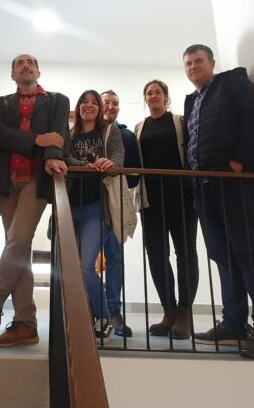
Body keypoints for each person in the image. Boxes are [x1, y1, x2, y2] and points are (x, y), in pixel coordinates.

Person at [183, 44, 254, 355]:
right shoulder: (192, 100)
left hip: (231, 182)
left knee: (246, 252)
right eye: (188, 63)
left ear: (212, 63)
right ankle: (234, 323)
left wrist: (239, 160)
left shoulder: (230, 83)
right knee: (221, 255)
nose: (193, 67)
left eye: (198, 61)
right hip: (203, 187)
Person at [0, 54, 69, 348]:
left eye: (30, 62)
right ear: (13, 75)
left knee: (17, 241)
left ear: (38, 72)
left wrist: (52, 155)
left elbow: (58, 136)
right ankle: (26, 324)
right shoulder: (2, 104)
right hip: (7, 181)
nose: (26, 66)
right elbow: (0, 135)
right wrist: (36, 140)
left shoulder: (57, 101)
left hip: (35, 179)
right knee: (19, 248)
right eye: (20, 63)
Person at [134, 80, 198, 339]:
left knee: (185, 253)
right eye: (149, 93)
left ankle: (184, 314)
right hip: (151, 201)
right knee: (157, 256)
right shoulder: (140, 128)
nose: (153, 96)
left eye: (157, 92)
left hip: (181, 197)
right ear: (145, 98)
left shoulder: (180, 122)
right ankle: (168, 311)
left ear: (165, 96)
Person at [65, 90, 124, 344]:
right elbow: (64, 158)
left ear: (99, 109)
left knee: (86, 266)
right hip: (70, 207)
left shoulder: (109, 131)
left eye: (94, 103)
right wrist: (86, 166)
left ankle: (104, 318)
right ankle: (83, 317)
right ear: (78, 107)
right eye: (84, 102)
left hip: (97, 207)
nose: (89, 106)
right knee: (71, 270)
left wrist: (109, 163)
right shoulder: (69, 134)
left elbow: (118, 158)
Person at [100, 90, 141, 337]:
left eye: (115, 103)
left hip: (115, 204)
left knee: (115, 256)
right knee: (84, 261)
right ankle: (91, 309)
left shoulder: (126, 135)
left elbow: (134, 173)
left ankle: (113, 310)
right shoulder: (84, 132)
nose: (111, 106)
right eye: (106, 102)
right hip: (88, 203)